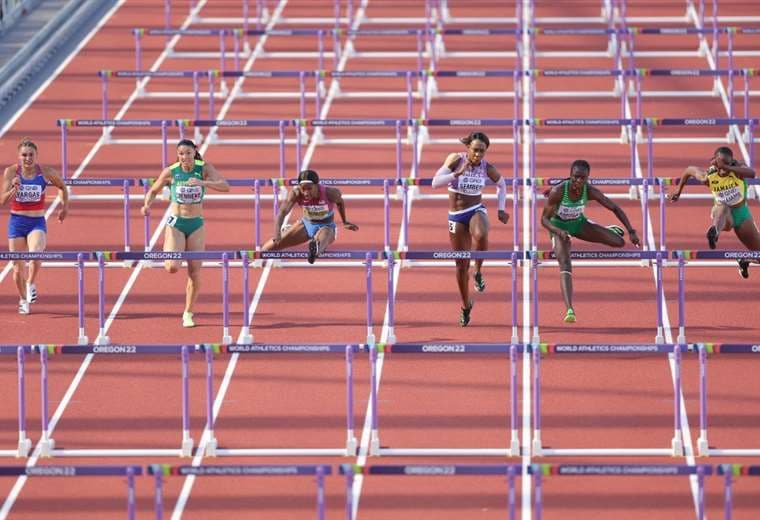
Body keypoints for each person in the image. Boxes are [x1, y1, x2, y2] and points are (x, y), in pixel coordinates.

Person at [141, 139, 229, 327]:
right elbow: (153, 190)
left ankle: (188, 312)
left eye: (188, 153)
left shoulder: (203, 167)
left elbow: (225, 185)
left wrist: (202, 182)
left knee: (194, 272)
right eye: (181, 154)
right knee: (172, 267)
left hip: (196, 224)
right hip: (177, 223)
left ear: (194, 152)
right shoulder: (171, 171)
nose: (185, 157)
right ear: (178, 155)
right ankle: (169, 245)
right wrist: (146, 205)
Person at [541, 159, 640, 323]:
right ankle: (569, 309)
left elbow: (614, 207)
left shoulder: (590, 191)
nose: (578, 181)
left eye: (582, 178)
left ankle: (608, 229)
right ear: (570, 176)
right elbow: (544, 220)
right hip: (559, 227)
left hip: (579, 224)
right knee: (565, 262)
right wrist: (558, 231)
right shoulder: (558, 191)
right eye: (575, 177)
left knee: (619, 242)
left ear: (588, 178)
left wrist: (631, 231)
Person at [431, 131, 509, 326]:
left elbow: (502, 184)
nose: (478, 155)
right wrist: (456, 173)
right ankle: (466, 305)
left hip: (475, 209)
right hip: (456, 216)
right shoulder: (456, 159)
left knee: (481, 233)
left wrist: (501, 209)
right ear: (468, 148)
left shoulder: (486, 167)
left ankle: (479, 270)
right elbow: (434, 183)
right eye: (475, 150)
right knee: (460, 267)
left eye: (482, 151)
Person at [669, 146, 760, 278]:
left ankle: (744, 261)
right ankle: (715, 232)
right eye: (720, 165)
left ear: (731, 162)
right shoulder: (709, 176)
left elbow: (752, 173)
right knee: (723, 206)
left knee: (758, 255)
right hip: (722, 215)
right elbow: (689, 170)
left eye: (726, 164)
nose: (722, 169)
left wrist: (727, 167)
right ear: (715, 162)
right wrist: (678, 190)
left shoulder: (738, 169)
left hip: (742, 214)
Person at [1, 137, 69, 314]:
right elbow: (1, 201)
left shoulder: (45, 173)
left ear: (36, 156)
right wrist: (13, 190)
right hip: (16, 222)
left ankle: (30, 281)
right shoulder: (10, 172)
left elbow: (62, 186)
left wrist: (64, 207)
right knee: (16, 268)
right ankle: (23, 299)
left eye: (31, 155)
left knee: (36, 255)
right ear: (19, 156)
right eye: (24, 155)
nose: (27, 158)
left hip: (36, 222)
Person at [262, 169, 358, 263]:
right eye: (303, 188)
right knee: (273, 246)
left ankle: (314, 251)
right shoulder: (296, 194)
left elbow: (340, 202)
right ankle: (255, 258)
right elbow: (282, 213)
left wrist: (345, 221)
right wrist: (277, 233)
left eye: (309, 188)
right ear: (299, 186)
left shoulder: (330, 193)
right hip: (307, 225)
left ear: (316, 185)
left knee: (322, 239)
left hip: (327, 226)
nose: (306, 192)